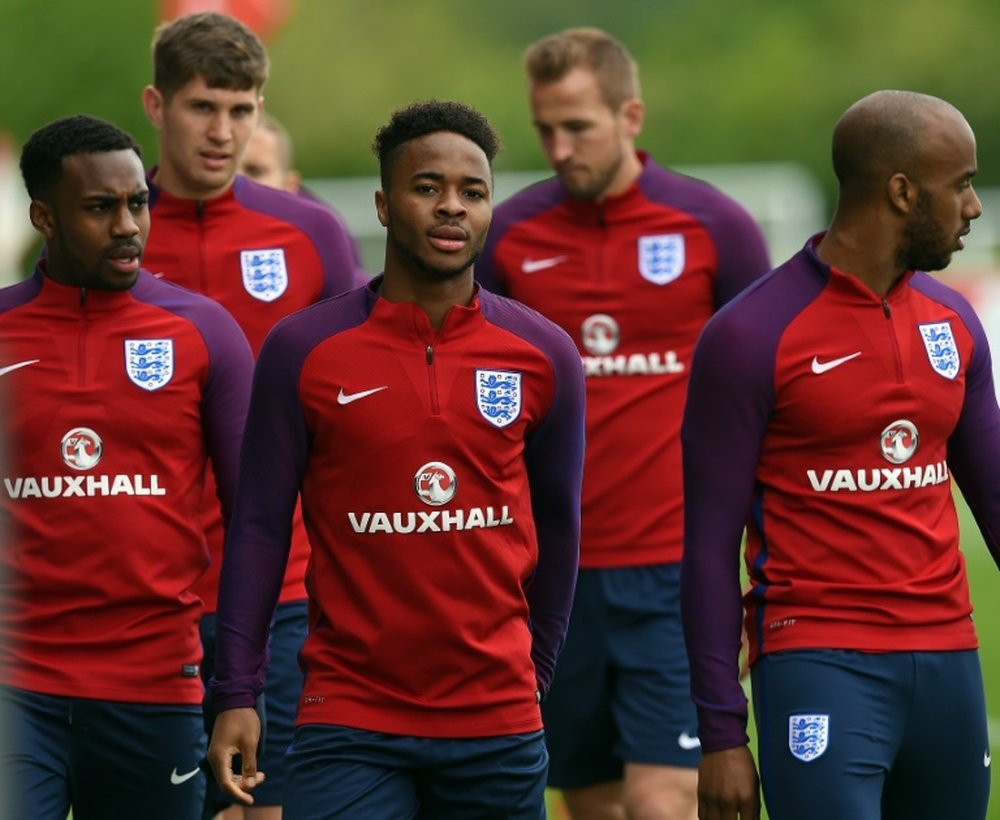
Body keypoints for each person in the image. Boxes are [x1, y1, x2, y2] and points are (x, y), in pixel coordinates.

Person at [206, 99, 586, 819]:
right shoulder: (303, 350)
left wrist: (536, 666)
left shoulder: (544, 354)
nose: (452, 208)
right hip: (350, 716)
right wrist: (237, 690)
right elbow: (258, 526)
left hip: (496, 719)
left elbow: (561, 528)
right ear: (383, 204)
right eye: (427, 188)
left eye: (472, 192)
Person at [475, 27, 771, 820]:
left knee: (665, 796)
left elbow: (770, 400)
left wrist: (762, 566)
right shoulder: (509, 236)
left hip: (676, 572)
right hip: (551, 573)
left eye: (579, 126)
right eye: (545, 129)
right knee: (594, 799)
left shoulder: (715, 228)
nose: (560, 146)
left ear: (630, 114)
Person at [680, 89, 998, 820]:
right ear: (901, 192)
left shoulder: (954, 324)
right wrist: (722, 734)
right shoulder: (751, 335)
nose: (974, 207)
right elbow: (704, 547)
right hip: (820, 663)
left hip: (950, 662)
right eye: (962, 184)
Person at [138, 13, 361, 818]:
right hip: (143, 596)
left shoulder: (309, 234)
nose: (224, 131)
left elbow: (365, 394)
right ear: (156, 106)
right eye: (204, 108)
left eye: (244, 110)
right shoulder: (108, 231)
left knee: (269, 810)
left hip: (287, 589)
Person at [0, 114, 253, 820]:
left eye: (137, 203)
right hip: (15, 686)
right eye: (99, 208)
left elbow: (256, 524)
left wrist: (239, 687)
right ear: (44, 217)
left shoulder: (205, 332)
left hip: (155, 682)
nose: (127, 226)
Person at [238, 112, 367, 283]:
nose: (237, 181)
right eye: (226, 170)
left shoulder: (324, 248)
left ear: (290, 185)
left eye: (255, 171)